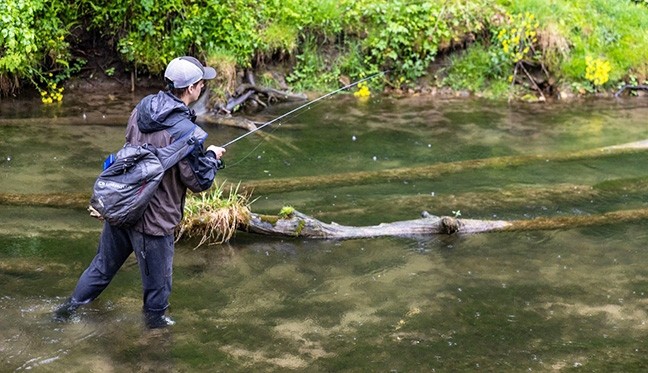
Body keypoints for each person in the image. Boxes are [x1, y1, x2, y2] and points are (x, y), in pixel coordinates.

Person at [54, 56, 226, 328]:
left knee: (101, 268)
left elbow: (131, 150)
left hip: (123, 208)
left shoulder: (141, 109)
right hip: (154, 223)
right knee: (158, 290)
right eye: (201, 83)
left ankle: (64, 314)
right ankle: (154, 342)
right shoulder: (187, 131)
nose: (203, 86)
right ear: (192, 88)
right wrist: (213, 158)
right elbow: (197, 181)